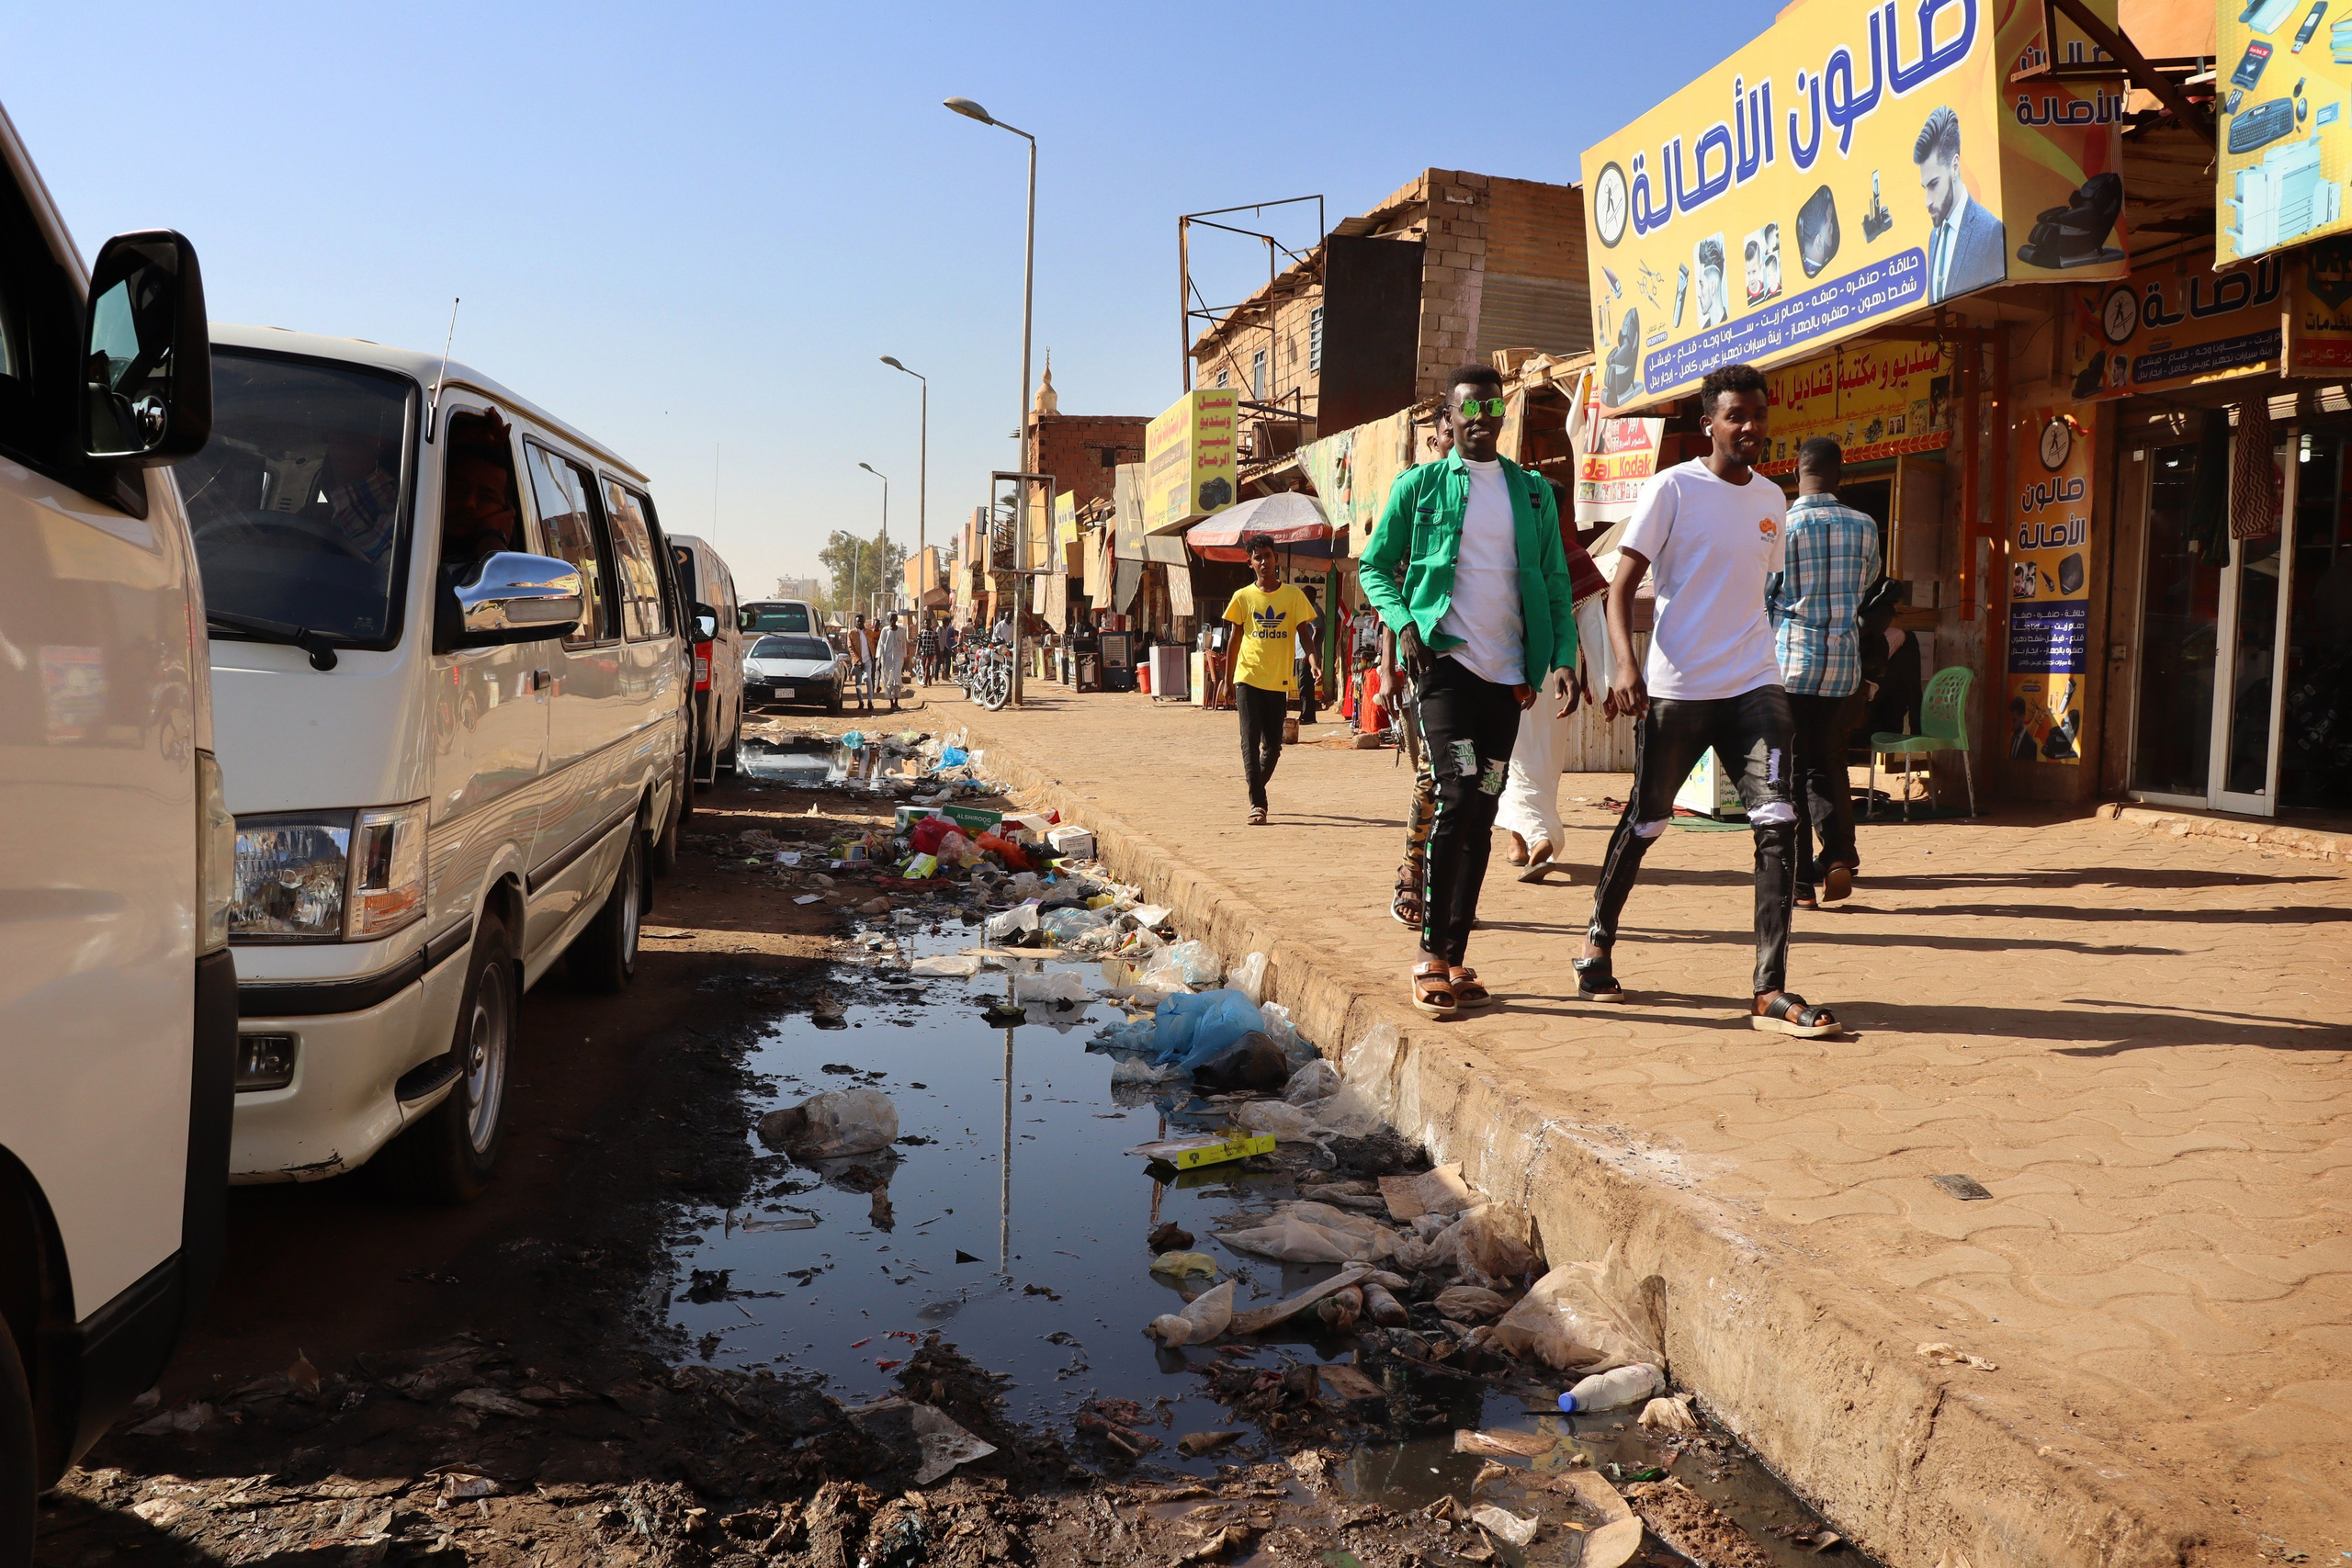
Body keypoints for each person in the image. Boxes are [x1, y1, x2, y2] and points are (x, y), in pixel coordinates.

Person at [1580, 361, 1840, 1038]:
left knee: (1778, 823)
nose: (1751, 427)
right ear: (1710, 424)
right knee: (1646, 821)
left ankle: (1769, 990)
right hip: (1679, 686)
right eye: (1737, 416)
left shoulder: (1772, 499)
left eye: (1759, 414)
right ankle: (1597, 943)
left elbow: (1755, 589)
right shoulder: (1673, 487)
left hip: (1755, 681)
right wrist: (1624, 666)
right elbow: (1621, 587)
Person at [1362, 366, 1578, 1019]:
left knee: (1483, 810)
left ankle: (1456, 955)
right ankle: (1430, 954)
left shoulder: (1534, 494)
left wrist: (1563, 657)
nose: (1483, 416)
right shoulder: (1420, 487)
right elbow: (1374, 565)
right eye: (1470, 408)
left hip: (1508, 681)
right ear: (1448, 421)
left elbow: (1556, 582)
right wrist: (1403, 623)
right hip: (1446, 669)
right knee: (1456, 795)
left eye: (1493, 405)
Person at [1768, 437, 1879, 908]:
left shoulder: (1782, 528)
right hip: (1842, 669)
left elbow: (1764, 593)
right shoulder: (1866, 526)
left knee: (1787, 774)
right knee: (1829, 762)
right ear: (1841, 476)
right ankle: (1837, 858)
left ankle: (1797, 885)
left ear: (1797, 474)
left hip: (1790, 665)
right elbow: (1869, 583)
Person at [1496, 479, 1614, 883]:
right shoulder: (1575, 555)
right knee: (1543, 762)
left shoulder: (1505, 550)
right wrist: (1605, 686)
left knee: (1514, 759)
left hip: (1507, 671)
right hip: (1561, 678)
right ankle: (1522, 842)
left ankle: (1536, 835)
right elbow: (1595, 627)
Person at [1218, 536, 1317, 825]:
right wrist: (1226, 680)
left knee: (1273, 746)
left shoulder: (1293, 596)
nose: (1264, 562)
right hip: (1247, 677)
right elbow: (1234, 641)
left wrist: (1312, 661)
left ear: (1276, 559)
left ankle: (1254, 785)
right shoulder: (1243, 597)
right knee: (1249, 741)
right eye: (1257, 557)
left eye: (1268, 556)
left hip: (1277, 682)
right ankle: (1258, 804)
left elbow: (1305, 634)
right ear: (1250, 562)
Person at [1917, 105, 2005, 304]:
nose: (1927, 202)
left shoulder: (1989, 231)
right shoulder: (1934, 236)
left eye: (1934, 184)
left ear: (1954, 166)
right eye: (1925, 188)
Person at [1294, 583, 1323, 728]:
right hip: (1301, 653)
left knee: (1306, 686)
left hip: (1306, 656)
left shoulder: (1315, 610)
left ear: (1311, 596)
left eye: (1305, 594)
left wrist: (1309, 653)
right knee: (1304, 686)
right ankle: (1306, 714)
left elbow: (1318, 632)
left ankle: (1307, 715)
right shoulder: (1307, 610)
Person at [876, 611, 907, 713]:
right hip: (887, 658)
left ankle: (897, 702)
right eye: (891, 617)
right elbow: (880, 645)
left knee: (897, 678)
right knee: (887, 680)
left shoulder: (902, 630)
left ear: (897, 618)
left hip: (898, 658)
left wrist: (904, 657)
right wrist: (879, 661)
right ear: (888, 619)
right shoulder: (885, 631)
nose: (892, 619)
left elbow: (904, 645)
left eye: (894, 617)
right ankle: (891, 703)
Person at [917, 616, 940, 684]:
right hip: (923, 652)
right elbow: (919, 642)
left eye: (928, 623)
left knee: (927, 666)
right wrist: (917, 651)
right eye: (925, 623)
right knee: (924, 666)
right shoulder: (921, 632)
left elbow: (936, 643)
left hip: (931, 652)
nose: (927, 625)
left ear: (930, 624)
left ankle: (925, 683)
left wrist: (938, 653)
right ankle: (929, 680)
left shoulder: (934, 633)